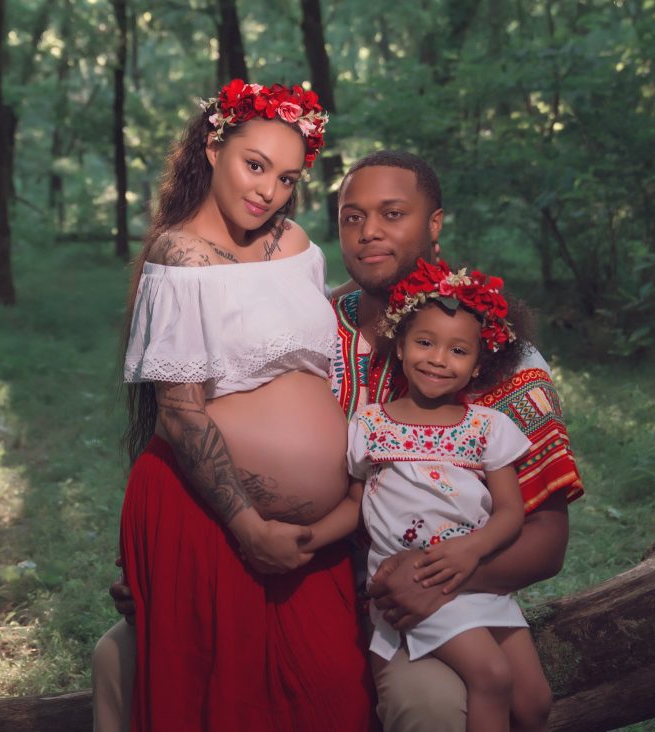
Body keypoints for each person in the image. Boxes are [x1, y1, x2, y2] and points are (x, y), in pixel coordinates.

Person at [94, 150, 584, 731]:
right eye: (352, 216)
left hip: (429, 602)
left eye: (393, 214)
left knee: (427, 707)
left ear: (434, 225)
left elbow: (546, 542)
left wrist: (425, 580)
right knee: (114, 657)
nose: (369, 231)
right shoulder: (307, 327)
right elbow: (199, 420)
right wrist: (166, 564)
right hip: (294, 573)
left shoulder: (496, 358)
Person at [114, 79, 374, 731]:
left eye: (286, 178)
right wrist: (248, 528)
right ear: (213, 146)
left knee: (332, 695)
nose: (267, 190)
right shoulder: (180, 259)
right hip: (211, 514)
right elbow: (181, 413)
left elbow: (306, 337)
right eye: (254, 165)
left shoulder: (295, 245)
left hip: (316, 537)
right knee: (222, 707)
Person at [304, 257, 552, 732]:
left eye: (458, 351)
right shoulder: (371, 424)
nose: (438, 359)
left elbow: (509, 513)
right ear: (399, 347)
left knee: (535, 702)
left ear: (478, 364)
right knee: (493, 677)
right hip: (413, 584)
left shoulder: (488, 428)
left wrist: (470, 551)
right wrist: (307, 536)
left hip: (472, 573)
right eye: (424, 342)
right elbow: (357, 507)